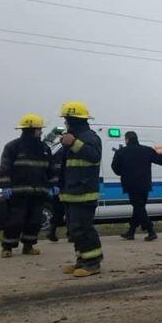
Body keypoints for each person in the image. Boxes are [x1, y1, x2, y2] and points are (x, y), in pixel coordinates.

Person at [0, 114, 57, 258]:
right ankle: (7, 247)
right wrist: (5, 185)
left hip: (38, 192)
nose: (41, 132)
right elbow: (5, 168)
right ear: (31, 130)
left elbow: (51, 169)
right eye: (39, 129)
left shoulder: (44, 148)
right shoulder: (13, 147)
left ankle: (28, 246)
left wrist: (53, 184)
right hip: (18, 192)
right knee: (15, 221)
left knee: (34, 221)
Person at [58, 101, 103, 277]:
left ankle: (93, 263)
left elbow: (94, 157)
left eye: (67, 119)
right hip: (71, 193)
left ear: (75, 120)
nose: (65, 123)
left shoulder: (90, 137)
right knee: (74, 230)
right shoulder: (72, 138)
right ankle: (82, 260)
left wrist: (74, 143)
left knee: (83, 228)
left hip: (84, 193)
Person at [111, 131, 162, 241]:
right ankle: (131, 232)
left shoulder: (121, 152)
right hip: (145, 184)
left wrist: (124, 173)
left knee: (139, 208)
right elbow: (161, 160)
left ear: (127, 140)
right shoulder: (146, 150)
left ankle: (151, 231)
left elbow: (115, 168)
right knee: (139, 208)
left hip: (130, 185)